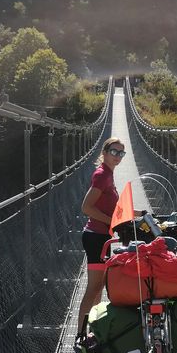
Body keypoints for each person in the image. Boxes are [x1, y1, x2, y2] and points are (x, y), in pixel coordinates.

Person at [76, 137, 128, 341]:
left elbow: (112, 208)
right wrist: (112, 222)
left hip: (101, 237)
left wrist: (136, 213)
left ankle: (94, 329)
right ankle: (81, 333)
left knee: (98, 287)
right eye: (114, 152)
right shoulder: (102, 175)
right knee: (94, 288)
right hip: (95, 237)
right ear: (104, 152)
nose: (118, 156)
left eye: (121, 153)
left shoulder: (108, 174)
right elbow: (86, 208)